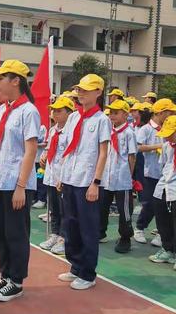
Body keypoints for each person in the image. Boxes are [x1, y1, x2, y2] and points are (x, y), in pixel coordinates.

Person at [0, 60, 40, 302]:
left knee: (16, 232)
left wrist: (21, 187)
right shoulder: (1, 110)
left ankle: (16, 280)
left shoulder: (29, 111)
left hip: (16, 183)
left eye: (1, 78)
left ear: (16, 81)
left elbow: (30, 150)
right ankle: (4, 274)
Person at [58, 74, 111, 290]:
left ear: (98, 92)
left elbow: (103, 152)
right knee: (70, 224)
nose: (81, 93)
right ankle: (76, 266)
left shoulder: (101, 120)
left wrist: (95, 182)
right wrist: (62, 175)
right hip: (71, 177)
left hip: (87, 181)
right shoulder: (73, 118)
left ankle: (88, 273)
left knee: (88, 228)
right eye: (79, 89)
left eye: (86, 90)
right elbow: (68, 149)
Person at [134, 99, 176, 245]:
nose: (172, 114)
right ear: (162, 112)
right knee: (151, 204)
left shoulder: (170, 126)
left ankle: (161, 233)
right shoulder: (146, 129)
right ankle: (140, 227)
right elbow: (138, 147)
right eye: (170, 112)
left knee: (165, 207)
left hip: (166, 175)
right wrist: (158, 146)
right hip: (151, 172)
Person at [100, 100, 138, 253]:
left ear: (125, 114)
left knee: (124, 209)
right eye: (111, 113)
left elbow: (132, 156)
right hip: (106, 176)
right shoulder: (108, 131)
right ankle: (100, 231)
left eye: (116, 113)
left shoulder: (129, 133)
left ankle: (125, 237)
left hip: (122, 177)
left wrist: (129, 176)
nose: (112, 116)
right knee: (102, 206)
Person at [39, 96, 74, 255]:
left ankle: (64, 238)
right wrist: (44, 155)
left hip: (64, 176)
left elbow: (70, 153)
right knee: (53, 207)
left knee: (64, 209)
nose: (55, 114)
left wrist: (64, 176)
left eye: (59, 111)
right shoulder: (53, 130)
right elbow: (49, 147)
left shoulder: (71, 131)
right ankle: (54, 234)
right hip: (51, 174)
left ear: (69, 112)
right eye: (54, 111)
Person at [149, 115, 176, 266]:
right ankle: (167, 249)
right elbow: (164, 165)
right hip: (164, 186)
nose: (168, 137)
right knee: (162, 219)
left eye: (171, 133)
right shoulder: (166, 145)